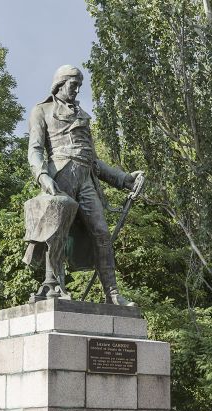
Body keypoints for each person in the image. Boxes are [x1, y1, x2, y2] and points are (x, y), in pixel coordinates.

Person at [23, 64, 142, 306]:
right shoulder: (41, 111)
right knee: (56, 233)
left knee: (102, 233)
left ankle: (113, 294)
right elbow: (34, 151)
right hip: (60, 176)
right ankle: (52, 285)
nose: (77, 90)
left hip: (86, 179)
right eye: (73, 84)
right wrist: (42, 176)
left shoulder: (82, 116)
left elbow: (94, 161)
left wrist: (124, 179)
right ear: (59, 84)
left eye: (79, 85)